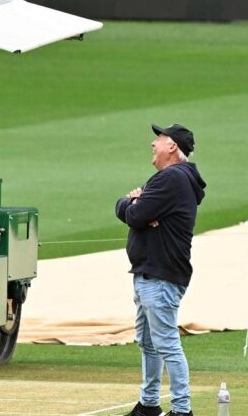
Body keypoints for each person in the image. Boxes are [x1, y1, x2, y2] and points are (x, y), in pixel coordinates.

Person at [116, 124, 206, 416]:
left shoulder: (172, 178)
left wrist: (134, 202)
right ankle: (149, 405)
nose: (153, 144)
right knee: (148, 343)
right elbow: (137, 213)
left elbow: (134, 215)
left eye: (160, 139)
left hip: (160, 275)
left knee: (166, 344)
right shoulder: (173, 179)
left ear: (172, 147)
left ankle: (182, 410)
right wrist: (136, 206)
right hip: (150, 273)